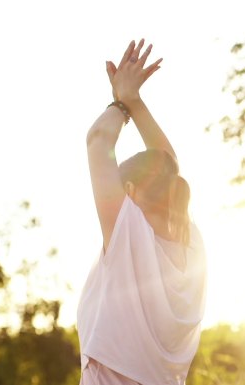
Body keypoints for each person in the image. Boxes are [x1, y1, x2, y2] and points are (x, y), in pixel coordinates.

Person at [77, 39, 208, 385]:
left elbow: (98, 141)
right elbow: (168, 163)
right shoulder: (192, 246)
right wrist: (133, 101)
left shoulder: (127, 234)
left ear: (130, 191)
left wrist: (121, 103)